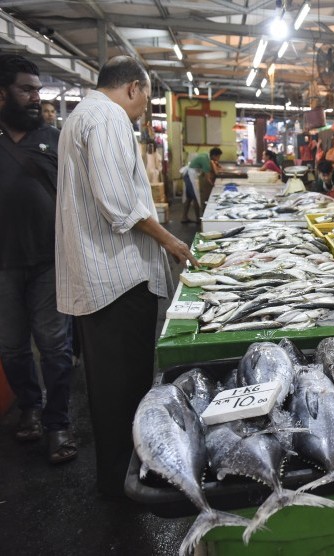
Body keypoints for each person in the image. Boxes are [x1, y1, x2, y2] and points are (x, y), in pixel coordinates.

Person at [55, 55, 199, 497]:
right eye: (147, 99)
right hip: (117, 278)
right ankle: (126, 483)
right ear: (133, 88)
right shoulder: (109, 117)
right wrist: (170, 241)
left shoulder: (82, 115)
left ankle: (118, 477)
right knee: (125, 389)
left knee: (110, 390)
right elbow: (118, 203)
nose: (144, 111)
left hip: (101, 279)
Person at [0, 54, 76, 464]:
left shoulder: (53, 139)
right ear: (2, 94)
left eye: (37, 89)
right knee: (11, 347)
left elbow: (73, 197)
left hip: (49, 260)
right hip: (3, 265)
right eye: (26, 89)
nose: (35, 97)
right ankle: (29, 407)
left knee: (54, 345)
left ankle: (57, 422)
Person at [182, 146, 222, 223]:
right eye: (218, 157)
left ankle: (184, 217)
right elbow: (207, 178)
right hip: (190, 176)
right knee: (195, 197)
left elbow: (211, 168)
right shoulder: (206, 161)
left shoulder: (206, 155)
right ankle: (198, 219)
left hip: (188, 175)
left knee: (189, 197)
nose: (219, 159)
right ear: (214, 155)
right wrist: (214, 186)